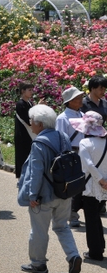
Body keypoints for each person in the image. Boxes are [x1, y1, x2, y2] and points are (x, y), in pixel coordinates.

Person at [17, 104, 82, 273]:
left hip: (44, 195)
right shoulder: (63, 136)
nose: (30, 124)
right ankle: (73, 255)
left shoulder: (39, 143)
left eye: (31, 121)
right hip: (64, 192)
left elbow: (36, 172)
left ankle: (38, 264)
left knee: (39, 230)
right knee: (62, 227)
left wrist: (32, 195)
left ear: (39, 123)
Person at [72, 111, 107, 261]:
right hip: (105, 186)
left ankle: (95, 252)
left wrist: (100, 179)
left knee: (91, 219)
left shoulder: (84, 143)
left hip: (91, 186)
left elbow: (89, 165)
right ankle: (99, 246)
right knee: (96, 216)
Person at [56, 86, 85, 227]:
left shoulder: (82, 115)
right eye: (77, 98)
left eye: (80, 97)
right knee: (72, 183)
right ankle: (71, 214)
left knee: (81, 183)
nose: (81, 100)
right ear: (69, 101)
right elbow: (60, 139)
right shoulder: (62, 118)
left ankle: (74, 211)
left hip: (83, 152)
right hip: (71, 154)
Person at [14, 82, 35, 178]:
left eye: (32, 90)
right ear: (23, 91)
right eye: (29, 90)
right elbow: (27, 120)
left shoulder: (30, 103)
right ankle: (21, 176)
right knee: (22, 156)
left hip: (29, 134)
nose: (31, 92)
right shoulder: (20, 104)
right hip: (22, 134)